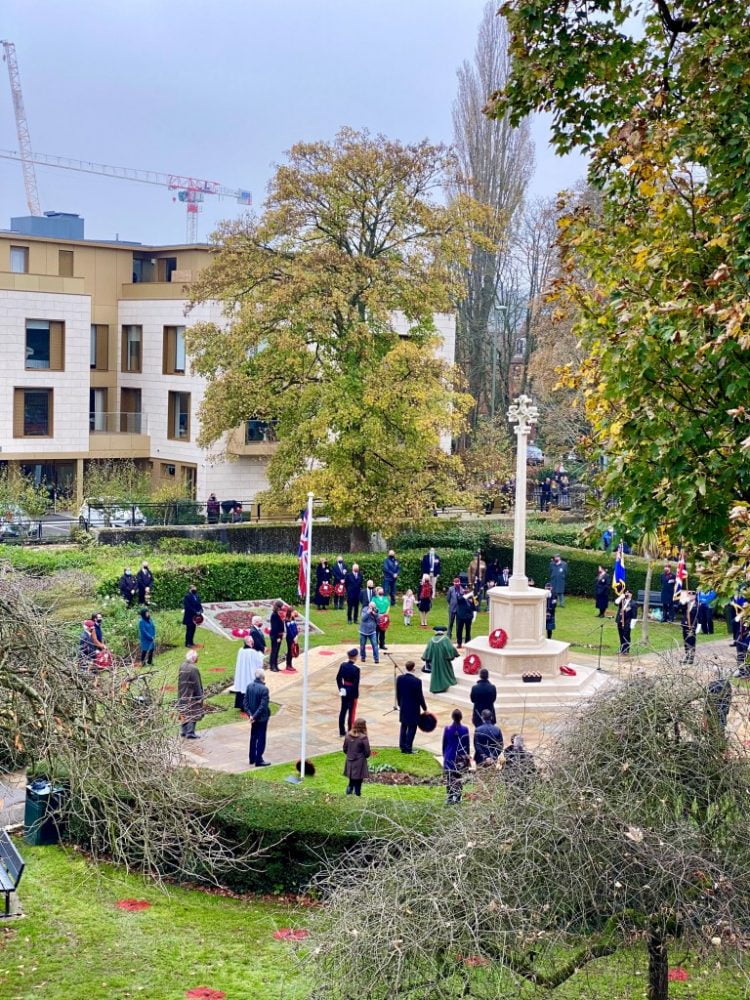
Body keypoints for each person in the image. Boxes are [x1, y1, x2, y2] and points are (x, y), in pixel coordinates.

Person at [396, 659, 427, 754]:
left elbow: (398, 693)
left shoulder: (400, 678)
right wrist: (424, 708)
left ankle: (402, 746)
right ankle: (408, 748)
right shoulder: (417, 681)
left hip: (404, 706)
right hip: (413, 708)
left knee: (404, 726)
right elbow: (420, 696)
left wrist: (399, 704)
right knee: (412, 727)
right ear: (413, 669)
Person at [442, 709, 470, 804]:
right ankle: (457, 797)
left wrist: (445, 755)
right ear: (461, 718)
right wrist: (467, 758)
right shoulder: (465, 729)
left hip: (449, 756)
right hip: (460, 758)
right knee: (458, 777)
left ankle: (450, 797)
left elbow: (444, 744)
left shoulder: (447, 729)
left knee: (450, 778)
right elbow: (467, 745)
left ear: (452, 717)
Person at [244, 668, 271, 766]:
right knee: (261, 738)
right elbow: (263, 706)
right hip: (261, 718)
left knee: (253, 737)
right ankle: (259, 759)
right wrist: (254, 716)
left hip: (253, 718)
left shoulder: (249, 686)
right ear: (263, 677)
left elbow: (245, 702)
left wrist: (250, 715)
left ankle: (252, 758)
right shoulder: (264, 689)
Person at [421, 626, 458, 694]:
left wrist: (427, 658)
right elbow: (450, 649)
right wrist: (453, 655)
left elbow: (428, 650)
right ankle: (445, 684)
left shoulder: (431, 640)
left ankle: (436, 687)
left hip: (434, 661)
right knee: (446, 671)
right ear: (443, 631)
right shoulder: (446, 639)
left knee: (435, 673)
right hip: (444, 661)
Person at [177, 649, 203, 740]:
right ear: (194, 658)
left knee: (184, 711)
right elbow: (197, 684)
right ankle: (190, 732)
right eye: (197, 657)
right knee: (193, 712)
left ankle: (184, 731)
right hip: (191, 694)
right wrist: (200, 697)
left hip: (182, 693)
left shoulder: (182, 666)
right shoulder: (194, 669)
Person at [232, 635, 263, 709]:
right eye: (251, 641)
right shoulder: (252, 652)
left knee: (242, 687)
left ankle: (241, 705)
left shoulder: (240, 650)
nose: (253, 642)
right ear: (249, 642)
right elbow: (259, 663)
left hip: (242, 673)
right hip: (249, 673)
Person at [343, 718, 370, 796]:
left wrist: (350, 754)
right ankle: (357, 795)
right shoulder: (363, 737)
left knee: (351, 780)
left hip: (350, 761)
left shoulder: (348, 735)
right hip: (360, 763)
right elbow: (367, 752)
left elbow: (345, 749)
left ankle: (348, 792)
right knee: (358, 781)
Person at [336, 648, 360, 737]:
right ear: (355, 657)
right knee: (351, 712)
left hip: (344, 691)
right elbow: (355, 684)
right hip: (352, 693)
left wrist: (341, 688)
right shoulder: (356, 669)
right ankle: (350, 731)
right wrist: (355, 695)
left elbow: (338, 678)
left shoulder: (343, 665)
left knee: (343, 711)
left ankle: (341, 731)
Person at [615, 590, 637, 655]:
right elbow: (616, 603)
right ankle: (622, 648)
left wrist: (632, 624)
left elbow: (634, 614)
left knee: (626, 635)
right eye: (626, 593)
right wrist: (620, 597)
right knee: (621, 635)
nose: (627, 594)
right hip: (620, 620)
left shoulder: (633, 603)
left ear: (631, 595)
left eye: (628, 593)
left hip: (627, 621)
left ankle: (626, 649)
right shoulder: (622, 601)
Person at [182, 584, 203, 648]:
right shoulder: (187, 596)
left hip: (195, 616)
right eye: (193, 588)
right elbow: (188, 606)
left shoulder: (196, 596)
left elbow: (199, 604)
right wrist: (195, 611)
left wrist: (201, 610)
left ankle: (191, 642)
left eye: (195, 587)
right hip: (189, 615)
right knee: (189, 629)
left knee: (193, 629)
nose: (195, 589)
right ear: (190, 589)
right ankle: (187, 643)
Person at [681, 592, 699, 665]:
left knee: (691, 641)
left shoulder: (697, 605)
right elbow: (680, 609)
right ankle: (687, 655)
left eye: (692, 595)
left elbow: (699, 617)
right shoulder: (686, 603)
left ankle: (691, 657)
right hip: (685, 625)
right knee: (686, 641)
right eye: (689, 595)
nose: (690, 596)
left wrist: (697, 626)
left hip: (692, 626)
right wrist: (683, 602)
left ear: (695, 596)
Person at [268, 599, 285, 672]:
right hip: (275, 635)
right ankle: (272, 666)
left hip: (279, 635)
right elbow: (275, 627)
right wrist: (278, 637)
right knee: (274, 651)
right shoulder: (274, 615)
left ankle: (275, 665)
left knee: (277, 650)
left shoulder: (277, 614)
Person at [373, 586, 390, 652]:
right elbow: (373, 606)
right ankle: (375, 645)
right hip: (377, 616)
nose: (382, 591)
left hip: (384, 616)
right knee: (376, 631)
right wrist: (378, 614)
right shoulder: (374, 599)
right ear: (377, 591)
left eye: (382, 590)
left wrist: (386, 613)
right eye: (380, 590)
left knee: (383, 631)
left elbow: (388, 605)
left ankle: (382, 644)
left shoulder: (385, 598)